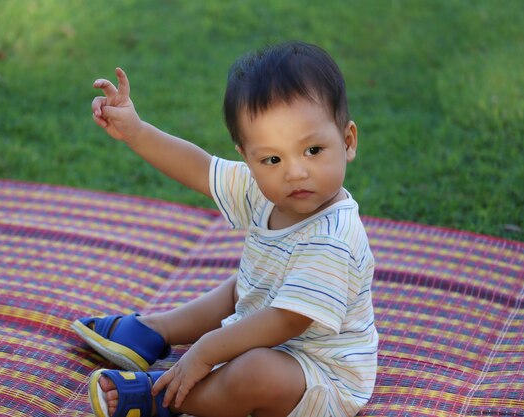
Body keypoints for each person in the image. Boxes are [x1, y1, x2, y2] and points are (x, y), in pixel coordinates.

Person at [73, 40, 378, 417]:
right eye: (272, 158)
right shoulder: (266, 188)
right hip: (266, 332)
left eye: (313, 150)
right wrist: (136, 131)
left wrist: (207, 350)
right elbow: (199, 168)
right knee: (243, 287)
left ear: (347, 141)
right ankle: (154, 331)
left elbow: (288, 320)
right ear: (247, 157)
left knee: (256, 371)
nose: (295, 171)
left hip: (318, 378)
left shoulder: (333, 237)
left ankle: (163, 397)